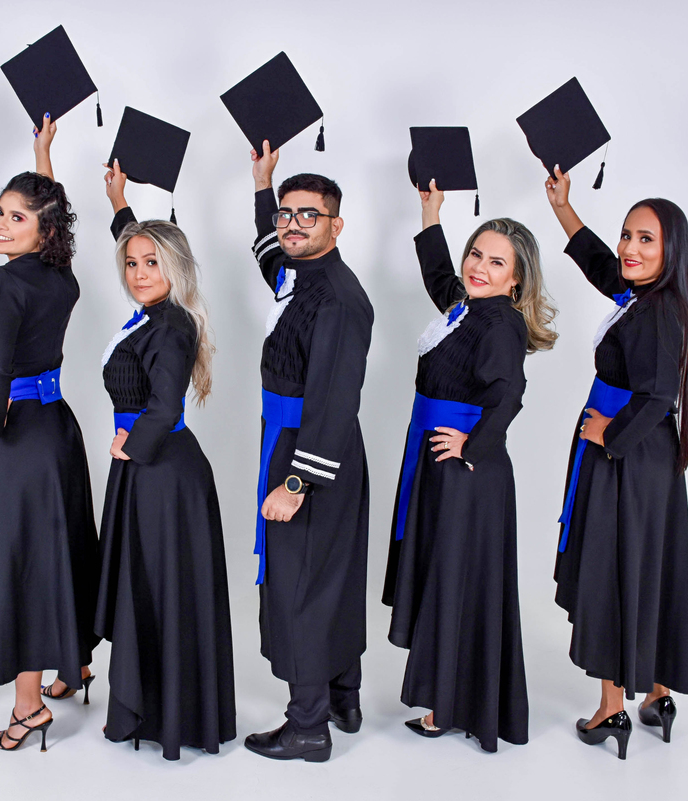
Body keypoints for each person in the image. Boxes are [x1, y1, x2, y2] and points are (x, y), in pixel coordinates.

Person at [0, 116, 99, 752]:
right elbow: (52, 218)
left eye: (15, 217)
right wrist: (42, 157)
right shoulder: (61, 275)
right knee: (58, 548)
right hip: (57, 432)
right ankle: (74, 663)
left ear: (44, 229)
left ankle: (29, 707)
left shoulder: (3, 288)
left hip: (13, 443)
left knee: (20, 564)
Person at [383, 181, 557, 752]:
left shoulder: (500, 323)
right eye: (475, 254)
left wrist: (471, 445)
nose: (479, 267)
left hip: (465, 476)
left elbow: (510, 394)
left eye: (496, 262)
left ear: (517, 279)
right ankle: (448, 699)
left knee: (456, 582)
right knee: (445, 578)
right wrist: (431, 213)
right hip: (439, 464)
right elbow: (440, 276)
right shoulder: (465, 308)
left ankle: (450, 705)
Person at [546, 166, 688, 759]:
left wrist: (609, 435)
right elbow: (600, 264)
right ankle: (658, 694)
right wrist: (564, 207)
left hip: (628, 458)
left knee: (612, 568)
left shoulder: (658, 311)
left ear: (670, 251)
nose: (630, 248)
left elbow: (658, 395)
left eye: (646, 239)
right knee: (646, 566)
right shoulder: (644, 295)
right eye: (628, 235)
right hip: (647, 461)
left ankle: (611, 708)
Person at [90, 160, 236, 760]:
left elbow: (166, 402)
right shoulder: (153, 314)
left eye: (152, 263)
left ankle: (163, 713)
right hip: (150, 468)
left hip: (162, 473)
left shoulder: (171, 324)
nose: (139, 273)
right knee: (148, 588)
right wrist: (118, 202)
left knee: (158, 590)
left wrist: (130, 443)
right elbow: (136, 242)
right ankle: (154, 705)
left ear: (173, 269)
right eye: (131, 263)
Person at [243, 142, 373, 763]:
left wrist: (296, 485)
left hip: (314, 453)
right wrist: (261, 184)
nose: (292, 225)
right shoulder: (298, 276)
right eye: (286, 214)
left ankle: (307, 726)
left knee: (305, 584)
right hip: (295, 442)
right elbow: (268, 249)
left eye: (308, 215)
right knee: (329, 577)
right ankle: (343, 699)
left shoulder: (338, 300)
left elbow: (333, 401)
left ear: (336, 225)